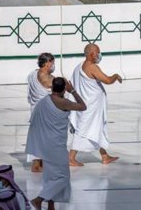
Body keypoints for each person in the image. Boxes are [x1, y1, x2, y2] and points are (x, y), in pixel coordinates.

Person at [26, 77, 86, 210]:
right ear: (64, 89)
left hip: (45, 145)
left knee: (50, 176)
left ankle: (51, 206)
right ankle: (38, 199)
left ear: (52, 87)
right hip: (56, 146)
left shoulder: (43, 102)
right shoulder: (64, 102)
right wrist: (73, 91)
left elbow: (34, 122)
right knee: (63, 177)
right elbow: (83, 106)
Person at [68, 43, 122, 167]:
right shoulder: (92, 67)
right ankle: (71, 158)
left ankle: (104, 156)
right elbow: (107, 80)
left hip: (91, 105)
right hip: (90, 107)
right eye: (98, 52)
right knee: (83, 131)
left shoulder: (79, 66)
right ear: (91, 54)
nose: (99, 55)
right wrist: (116, 76)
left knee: (97, 129)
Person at [26, 52, 55, 172]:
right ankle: (37, 164)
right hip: (44, 111)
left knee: (38, 136)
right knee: (44, 136)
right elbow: (54, 87)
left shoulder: (32, 74)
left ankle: (40, 162)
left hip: (36, 109)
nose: (53, 65)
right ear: (47, 63)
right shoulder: (46, 78)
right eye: (52, 63)